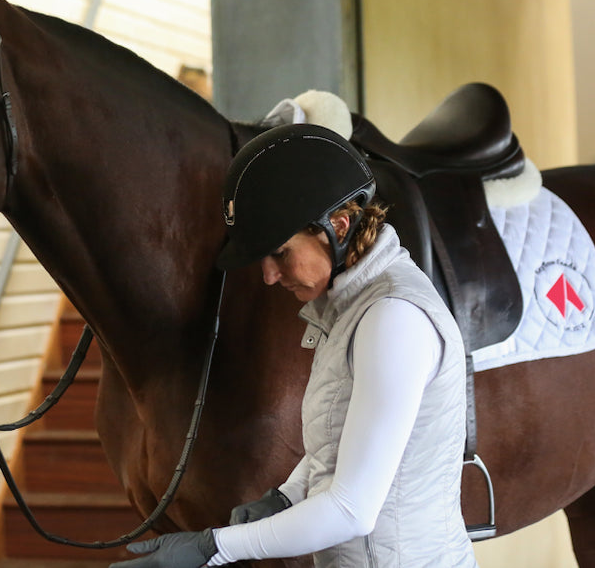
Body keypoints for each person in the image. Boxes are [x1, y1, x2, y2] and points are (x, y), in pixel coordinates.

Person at [112, 123, 476, 568]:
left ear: (338, 226)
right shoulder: (347, 308)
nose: (267, 275)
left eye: (280, 252)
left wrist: (215, 546)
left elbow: (351, 510)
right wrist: (286, 497)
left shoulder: (392, 318)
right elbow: (342, 443)